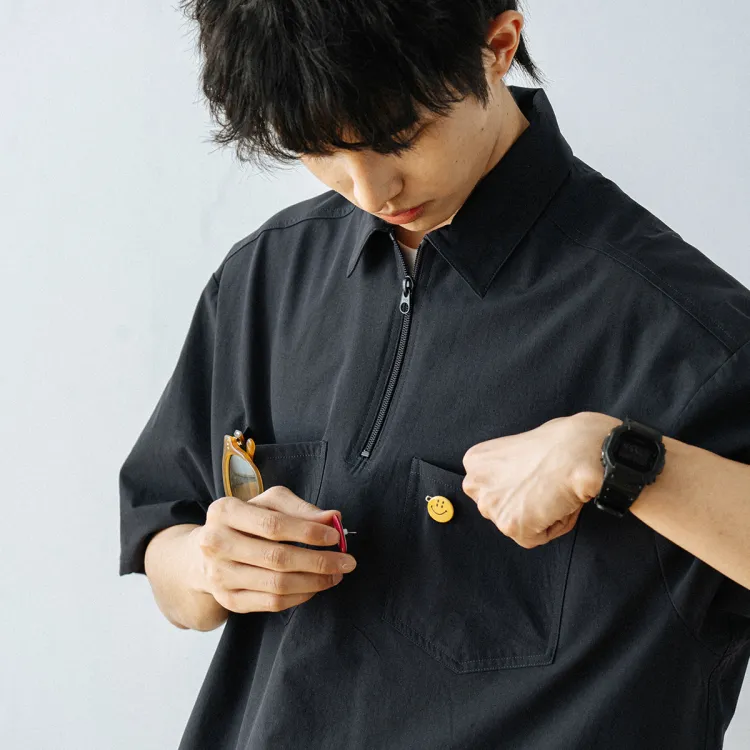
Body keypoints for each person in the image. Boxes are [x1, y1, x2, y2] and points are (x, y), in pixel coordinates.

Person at [118, 2, 750, 748]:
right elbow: (167, 547)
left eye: (398, 136)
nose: (370, 192)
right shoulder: (266, 277)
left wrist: (622, 461)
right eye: (317, 149)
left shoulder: (685, 329)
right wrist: (209, 565)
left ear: (497, 46)